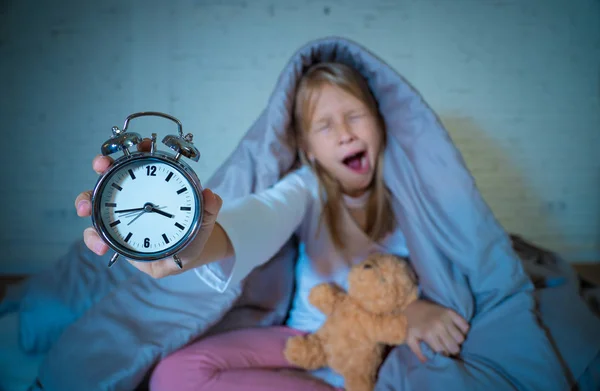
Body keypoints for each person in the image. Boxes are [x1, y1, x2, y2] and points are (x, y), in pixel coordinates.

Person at [74, 62, 471, 390]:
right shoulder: (308, 188)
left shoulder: (414, 196)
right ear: (309, 150)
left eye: (354, 116)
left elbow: (449, 262)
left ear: (380, 124)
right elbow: (260, 216)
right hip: (302, 340)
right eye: (325, 126)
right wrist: (197, 242)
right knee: (172, 375)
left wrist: (414, 308)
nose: (345, 133)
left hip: (368, 357)